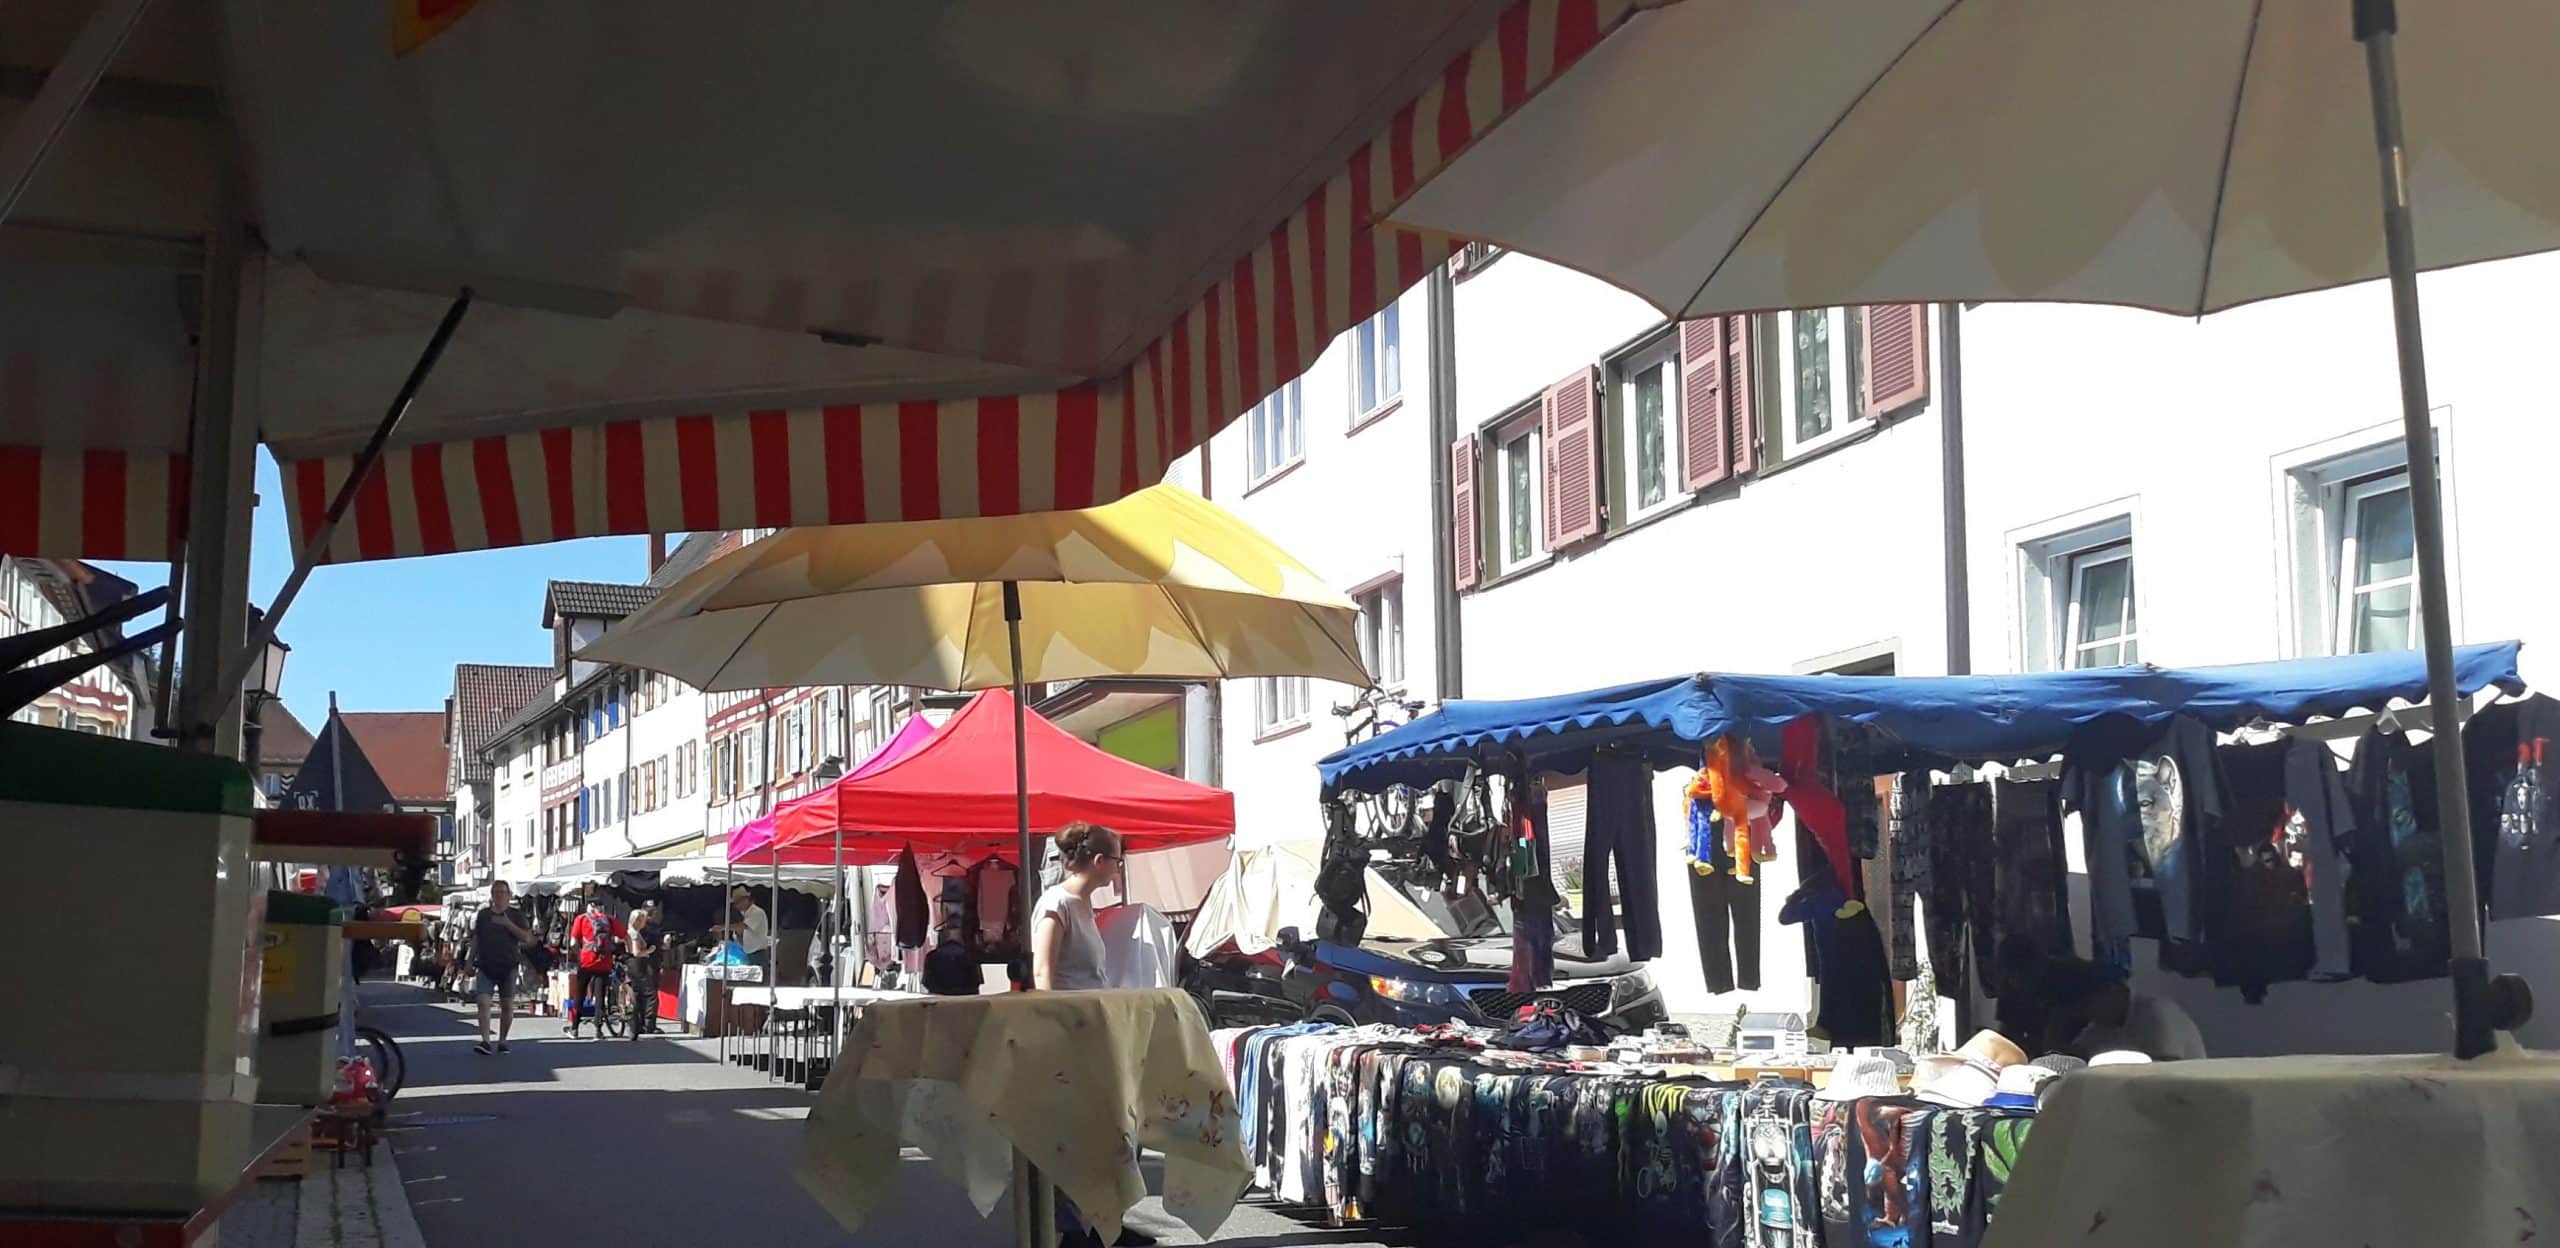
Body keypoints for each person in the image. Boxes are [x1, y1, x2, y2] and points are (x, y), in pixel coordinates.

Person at [1029, 823, 1152, 1248]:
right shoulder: (1057, 904)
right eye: (1117, 860)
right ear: (1099, 862)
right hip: (1069, 1034)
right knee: (1077, 1137)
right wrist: (1053, 1031)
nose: (1119, 868)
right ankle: (1076, 1229)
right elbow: (1044, 973)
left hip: (1094, 1032)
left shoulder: (1082, 906)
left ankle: (1106, 1222)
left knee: (1115, 1132)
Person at [2036, 955, 2208, 1061]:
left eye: (2086, 1006)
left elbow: (2164, 1071)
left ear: (2110, 989)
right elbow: (2070, 1059)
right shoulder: (2101, 1029)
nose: (2087, 1015)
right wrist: (2055, 1027)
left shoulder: (2157, 1014)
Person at [471, 883, 537, 1056]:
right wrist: (468, 962)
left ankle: (502, 1040)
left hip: (508, 966)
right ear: (492, 895)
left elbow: (527, 938)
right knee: (483, 1002)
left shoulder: (516, 915)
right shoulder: (483, 915)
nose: (499, 895)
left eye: (502, 892)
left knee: (507, 1005)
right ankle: (486, 1041)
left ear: (509, 895)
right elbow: (476, 938)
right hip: (485, 965)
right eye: (495, 892)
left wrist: (508, 924)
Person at [566, 894, 627, 1039]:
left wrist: (579, 953)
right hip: (604, 962)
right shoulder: (610, 920)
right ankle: (598, 1031)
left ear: (589, 906)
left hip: (586, 961)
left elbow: (573, 942)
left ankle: (574, 1028)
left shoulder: (581, 918)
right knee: (600, 996)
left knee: (580, 994)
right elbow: (624, 936)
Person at [715, 885, 774, 977]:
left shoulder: (756, 912)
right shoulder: (746, 914)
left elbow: (744, 926)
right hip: (749, 952)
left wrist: (722, 927)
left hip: (758, 953)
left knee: (761, 979)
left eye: (738, 903)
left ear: (745, 900)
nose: (736, 906)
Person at [625, 906, 665, 1036]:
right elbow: (636, 952)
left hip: (633, 965)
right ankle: (649, 1024)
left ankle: (638, 1023)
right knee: (650, 994)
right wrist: (649, 951)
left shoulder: (630, 932)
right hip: (638, 964)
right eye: (642, 919)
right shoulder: (635, 933)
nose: (645, 922)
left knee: (638, 993)